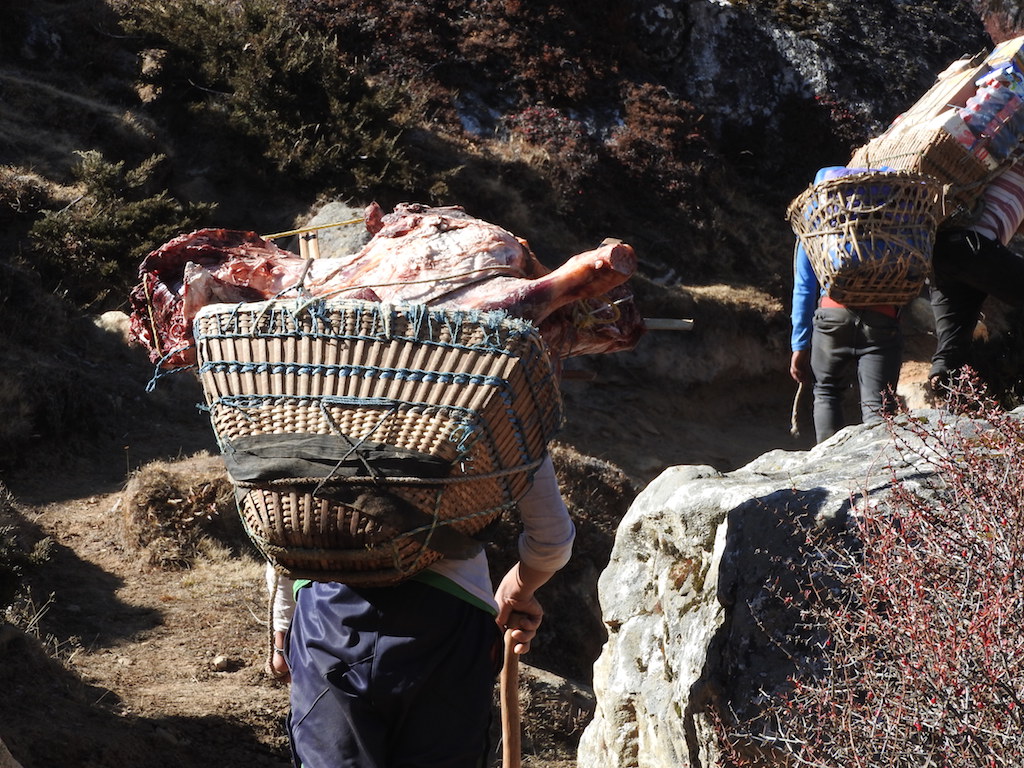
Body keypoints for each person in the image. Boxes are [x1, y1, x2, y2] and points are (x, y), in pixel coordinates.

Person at [266, 453, 574, 768]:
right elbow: (551, 540)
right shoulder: (496, 407)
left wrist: (283, 625)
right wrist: (515, 590)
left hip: (327, 615)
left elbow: (282, 519)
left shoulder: (319, 407)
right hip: (449, 624)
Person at [789, 167, 904, 443]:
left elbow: (805, 287)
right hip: (882, 318)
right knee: (879, 409)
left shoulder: (818, 221)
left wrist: (799, 345)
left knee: (827, 392)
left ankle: (830, 465)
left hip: (831, 316)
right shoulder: (894, 218)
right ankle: (884, 475)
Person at [927, 164, 1024, 391]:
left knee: (952, 346)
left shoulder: (991, 166)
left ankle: (945, 392)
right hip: (975, 247)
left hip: (940, 251)